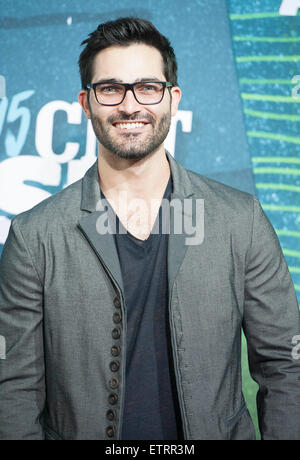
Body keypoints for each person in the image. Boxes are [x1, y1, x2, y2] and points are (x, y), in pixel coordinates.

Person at [0, 17, 299, 441]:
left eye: (147, 87)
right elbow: (12, 386)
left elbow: (287, 363)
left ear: (172, 99)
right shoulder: (34, 236)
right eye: (110, 88)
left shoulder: (240, 219)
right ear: (85, 103)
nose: (129, 105)